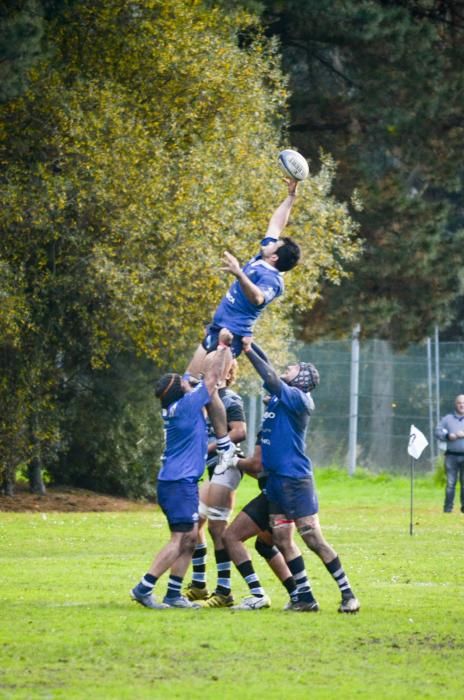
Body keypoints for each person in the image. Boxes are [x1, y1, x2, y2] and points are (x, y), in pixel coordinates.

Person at [236, 338, 360, 613]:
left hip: (295, 480)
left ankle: (349, 595)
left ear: (302, 378)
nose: (287, 367)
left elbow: (267, 372)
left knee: (313, 539)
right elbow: (269, 367)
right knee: (281, 539)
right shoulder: (283, 397)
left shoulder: (298, 398)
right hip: (277, 482)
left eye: (293, 367)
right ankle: (304, 598)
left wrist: (246, 351)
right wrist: (251, 341)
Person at [186, 178, 301, 470]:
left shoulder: (273, 279)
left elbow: (258, 297)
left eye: (273, 244)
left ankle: (224, 447)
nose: (270, 239)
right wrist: (290, 197)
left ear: (274, 256)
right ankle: (192, 440)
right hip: (216, 327)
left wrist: (239, 274)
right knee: (189, 384)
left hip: (232, 336)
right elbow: (276, 224)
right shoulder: (266, 255)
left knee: (209, 388)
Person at [130, 330, 233, 610]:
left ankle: (173, 594)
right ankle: (144, 587)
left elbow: (192, 372)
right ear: (182, 391)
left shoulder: (176, 404)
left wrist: (206, 343)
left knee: (189, 540)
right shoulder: (188, 406)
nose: (190, 382)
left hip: (176, 483)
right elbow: (210, 379)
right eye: (186, 383)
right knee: (179, 540)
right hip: (179, 484)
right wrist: (223, 346)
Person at [184, 360, 247, 608]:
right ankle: (200, 585)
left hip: (225, 465)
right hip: (207, 468)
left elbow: (239, 431)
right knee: (195, 524)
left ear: (228, 373)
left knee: (216, 528)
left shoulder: (230, 398)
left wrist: (208, 447)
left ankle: (224, 591)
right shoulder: (200, 397)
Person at [223, 438, 301, 610]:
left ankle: (258, 595)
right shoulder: (284, 425)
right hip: (288, 490)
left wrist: (233, 460)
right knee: (265, 544)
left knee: (231, 537)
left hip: (275, 494)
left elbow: (257, 465)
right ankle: (298, 594)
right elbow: (262, 471)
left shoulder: (270, 425)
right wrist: (241, 463)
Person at [435, 394, 464, 514]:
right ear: (455, 404)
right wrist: (447, 436)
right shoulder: (447, 419)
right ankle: (448, 508)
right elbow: (437, 431)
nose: (462, 405)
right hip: (451, 456)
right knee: (450, 483)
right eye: (459, 403)